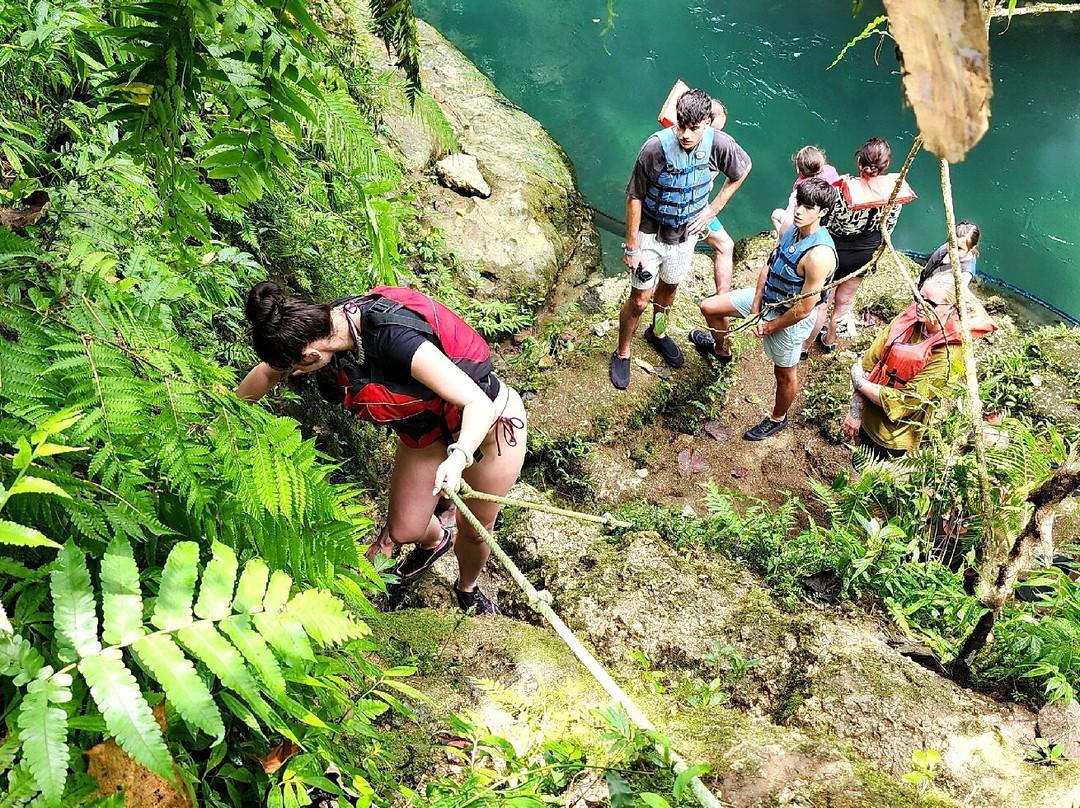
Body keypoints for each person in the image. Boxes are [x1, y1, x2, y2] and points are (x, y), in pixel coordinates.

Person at [236, 282, 528, 615]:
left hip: (491, 427)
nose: (295, 374)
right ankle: (437, 539)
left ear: (311, 356)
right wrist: (224, 417)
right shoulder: (319, 329)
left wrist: (459, 457)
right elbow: (266, 373)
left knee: (475, 530)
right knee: (404, 529)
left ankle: (467, 588)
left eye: (295, 368)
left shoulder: (396, 340)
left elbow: (478, 403)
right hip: (428, 432)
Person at [610, 88, 752, 390]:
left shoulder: (719, 143)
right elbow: (634, 196)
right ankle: (623, 351)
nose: (686, 135)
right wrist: (632, 247)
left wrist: (714, 208)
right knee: (640, 300)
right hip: (651, 233)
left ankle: (658, 332)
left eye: (694, 128)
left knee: (668, 292)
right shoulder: (654, 149)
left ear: (706, 123)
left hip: (685, 235)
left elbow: (743, 169)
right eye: (681, 126)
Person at [690, 177, 838, 441]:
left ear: (823, 212)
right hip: (769, 297)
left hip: (790, 316)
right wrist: (756, 306)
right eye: (799, 204)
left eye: (808, 208)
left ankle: (778, 418)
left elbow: (804, 308)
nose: (799, 211)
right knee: (710, 307)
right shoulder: (790, 227)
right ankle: (721, 350)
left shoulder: (819, 255)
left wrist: (769, 326)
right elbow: (769, 266)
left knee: (784, 373)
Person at [840, 274, 996, 462]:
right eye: (919, 297)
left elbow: (907, 400)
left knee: (864, 470)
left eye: (930, 303)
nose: (920, 305)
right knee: (856, 458)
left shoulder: (949, 354)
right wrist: (855, 412)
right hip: (867, 410)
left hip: (892, 431)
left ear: (952, 308)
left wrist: (860, 382)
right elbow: (870, 361)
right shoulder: (909, 319)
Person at [805, 137, 916, 353]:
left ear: (859, 162)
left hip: (834, 252)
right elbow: (888, 228)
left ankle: (804, 347)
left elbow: (827, 223)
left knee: (821, 303)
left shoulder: (841, 191)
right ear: (886, 166)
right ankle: (829, 341)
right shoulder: (894, 194)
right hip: (865, 255)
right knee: (844, 302)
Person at [770, 145, 840, 234]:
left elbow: (791, 215)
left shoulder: (799, 191)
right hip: (829, 222)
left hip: (807, 224)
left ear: (798, 170)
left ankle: (783, 237)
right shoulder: (831, 173)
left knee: (776, 214)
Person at [918, 221, 980, 288]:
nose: (952, 250)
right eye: (951, 244)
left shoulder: (966, 273)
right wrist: (919, 280)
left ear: (971, 249)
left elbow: (955, 291)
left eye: (959, 248)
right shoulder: (945, 249)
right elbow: (928, 267)